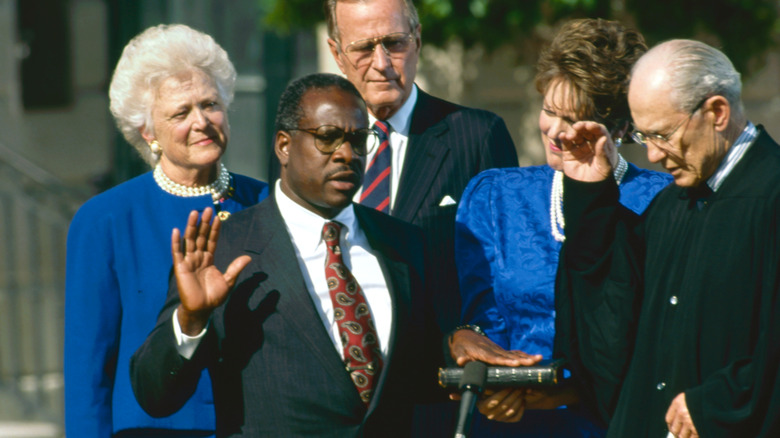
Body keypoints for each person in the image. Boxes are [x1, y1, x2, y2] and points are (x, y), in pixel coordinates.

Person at [129, 73, 442, 437]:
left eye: (359, 140)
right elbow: (154, 395)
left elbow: (424, 375)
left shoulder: (404, 244)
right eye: (327, 138)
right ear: (283, 146)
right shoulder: (226, 248)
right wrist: (191, 320)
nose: (347, 153)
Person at [447, 18, 672, 437]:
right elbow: (482, 317)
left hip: (614, 422)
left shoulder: (663, 202)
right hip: (511, 422)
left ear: (620, 128)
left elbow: (659, 339)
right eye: (549, 110)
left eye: (575, 120)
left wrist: (570, 392)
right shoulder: (496, 195)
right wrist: (488, 371)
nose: (556, 131)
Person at [555, 39, 780, 437]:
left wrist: (720, 402)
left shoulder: (771, 196)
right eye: (643, 137)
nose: (654, 156)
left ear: (716, 112)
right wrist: (592, 198)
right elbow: (618, 310)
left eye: (662, 135)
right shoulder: (671, 204)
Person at [64, 24, 269, 437]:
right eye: (180, 112)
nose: (202, 122)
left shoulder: (267, 202)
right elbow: (88, 372)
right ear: (148, 132)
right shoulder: (104, 219)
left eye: (210, 104)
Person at [325, 0, 519, 334]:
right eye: (364, 48)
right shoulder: (313, 148)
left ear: (417, 39)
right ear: (337, 54)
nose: (382, 63)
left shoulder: (476, 137)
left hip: (444, 370)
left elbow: (508, 275)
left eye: (395, 43)